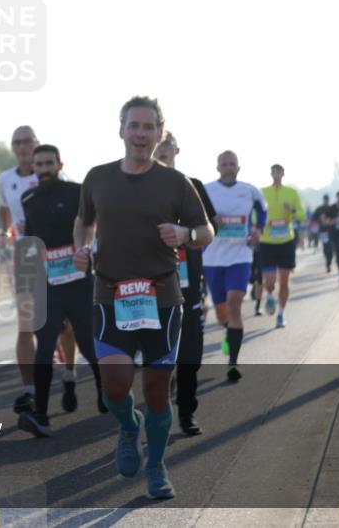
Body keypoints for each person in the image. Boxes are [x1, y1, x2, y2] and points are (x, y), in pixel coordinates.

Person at [73, 96, 213, 499]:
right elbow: (84, 221)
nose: (140, 134)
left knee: (156, 388)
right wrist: (81, 248)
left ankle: (156, 466)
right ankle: (129, 426)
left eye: (149, 127)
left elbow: (206, 232)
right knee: (113, 387)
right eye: (134, 126)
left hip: (163, 297)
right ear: (121, 130)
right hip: (111, 293)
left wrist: (186, 235)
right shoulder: (97, 177)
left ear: (159, 134)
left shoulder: (176, 182)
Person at [16, 144, 106, 438]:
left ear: (59, 164)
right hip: (47, 286)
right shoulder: (27, 198)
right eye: (39, 164)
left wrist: (86, 251)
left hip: (79, 282)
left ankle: (106, 393)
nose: (43, 169)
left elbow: (91, 225)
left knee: (89, 343)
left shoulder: (77, 191)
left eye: (48, 164)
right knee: (44, 349)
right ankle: (40, 414)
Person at [0, 127, 78, 414]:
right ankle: (29, 390)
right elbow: (5, 212)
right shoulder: (5, 179)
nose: (22, 147)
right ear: (12, 147)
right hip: (26, 257)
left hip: (58, 258)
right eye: (16, 142)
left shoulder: (54, 176)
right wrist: (7, 240)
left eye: (27, 142)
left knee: (65, 325)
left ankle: (69, 375)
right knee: (26, 324)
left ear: (36, 145)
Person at [153, 132, 216, 437]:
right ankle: (160, 415)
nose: (161, 151)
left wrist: (185, 234)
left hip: (188, 281)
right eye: (157, 146)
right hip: (149, 284)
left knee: (191, 351)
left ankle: (187, 411)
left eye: (166, 146)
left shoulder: (193, 186)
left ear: (176, 150)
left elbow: (208, 229)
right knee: (157, 357)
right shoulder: (134, 189)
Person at [202, 151, 267, 382]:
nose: (228, 168)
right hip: (212, 257)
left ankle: (233, 363)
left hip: (240, 255)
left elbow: (263, 211)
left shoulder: (250, 190)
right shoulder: (206, 190)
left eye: (232, 164)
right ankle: (229, 332)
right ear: (217, 167)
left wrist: (258, 230)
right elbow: (193, 216)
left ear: (238, 168)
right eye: (224, 164)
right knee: (222, 314)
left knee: (235, 304)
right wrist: (210, 220)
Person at [258, 164, 306, 328]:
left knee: (284, 281)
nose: (277, 174)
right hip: (267, 241)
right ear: (271, 173)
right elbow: (254, 213)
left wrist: (292, 210)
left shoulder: (291, 193)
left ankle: (280, 314)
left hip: (286, 241)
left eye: (279, 171)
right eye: (274, 171)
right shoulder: (263, 192)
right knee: (270, 281)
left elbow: (301, 215)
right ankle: (270, 295)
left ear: (283, 173)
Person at [312, 194, 334, 271]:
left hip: (332, 231)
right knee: (326, 247)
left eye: (327, 200)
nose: (326, 201)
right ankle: (327, 263)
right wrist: (319, 221)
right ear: (323, 200)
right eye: (325, 200)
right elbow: (313, 218)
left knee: (331, 248)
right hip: (323, 231)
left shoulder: (332, 208)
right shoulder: (319, 209)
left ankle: (329, 262)